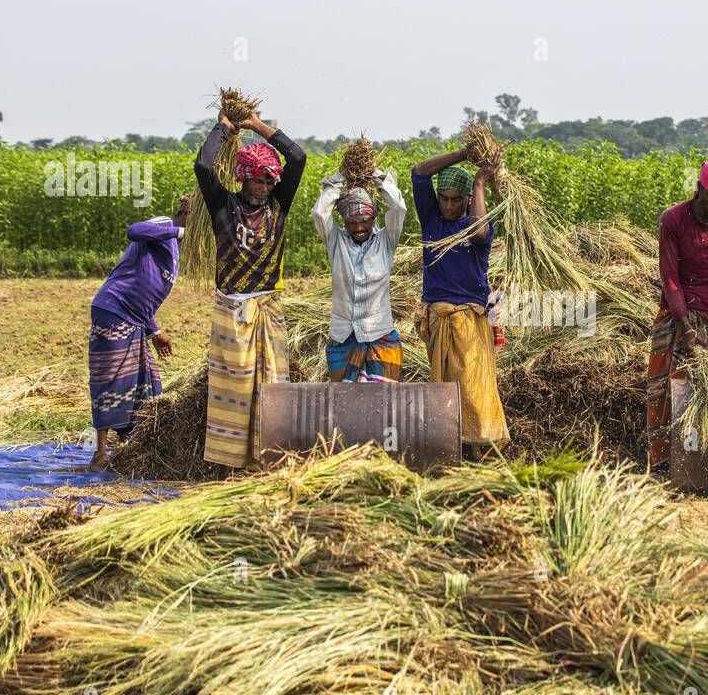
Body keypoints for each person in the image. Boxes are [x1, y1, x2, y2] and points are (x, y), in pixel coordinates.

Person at [194, 108, 306, 473]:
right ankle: (231, 465)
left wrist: (257, 126)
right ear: (244, 179)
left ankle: (268, 461)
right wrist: (224, 128)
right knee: (234, 392)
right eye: (259, 181)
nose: (265, 188)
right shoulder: (223, 205)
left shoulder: (279, 205)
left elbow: (298, 157)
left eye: (270, 182)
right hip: (231, 312)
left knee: (272, 386)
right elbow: (204, 168)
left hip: (267, 309)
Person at [646, 160, 708, 469]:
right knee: (664, 388)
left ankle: (706, 464)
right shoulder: (673, 220)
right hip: (676, 313)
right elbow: (670, 277)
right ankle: (663, 462)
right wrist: (685, 327)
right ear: (699, 190)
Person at [410, 147, 509, 457]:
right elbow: (420, 171)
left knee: (472, 386)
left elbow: (480, 231)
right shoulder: (432, 221)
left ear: (468, 200)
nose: (449, 205)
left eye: (457, 199)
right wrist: (465, 153)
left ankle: (483, 446)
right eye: (444, 198)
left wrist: (480, 181)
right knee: (443, 386)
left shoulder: (477, 226)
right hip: (439, 319)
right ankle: (449, 447)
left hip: (470, 318)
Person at [87, 196, 189, 471]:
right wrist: (179, 229)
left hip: (137, 321)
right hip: (113, 310)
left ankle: (130, 447)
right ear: (187, 212)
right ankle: (100, 455)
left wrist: (155, 331)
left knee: (146, 382)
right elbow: (134, 230)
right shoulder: (164, 225)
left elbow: (145, 293)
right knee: (111, 381)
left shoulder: (177, 249)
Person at [310, 171, 407, 382]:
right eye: (352, 222)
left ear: (374, 218)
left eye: (364, 220)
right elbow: (319, 213)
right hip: (343, 336)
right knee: (343, 403)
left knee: (383, 403)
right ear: (344, 222)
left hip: (379, 335)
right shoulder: (336, 242)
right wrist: (339, 180)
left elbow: (398, 208)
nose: (359, 227)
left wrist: (377, 178)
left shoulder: (386, 241)